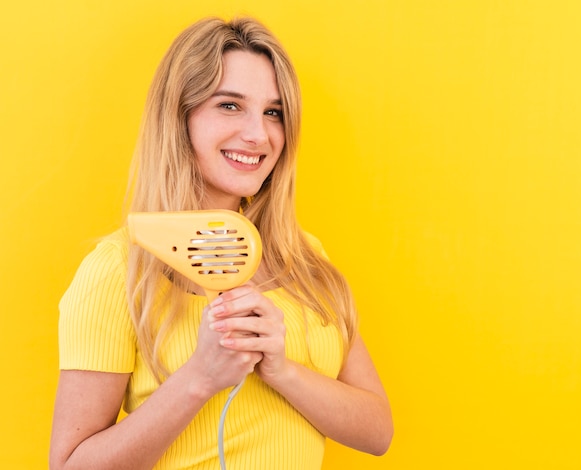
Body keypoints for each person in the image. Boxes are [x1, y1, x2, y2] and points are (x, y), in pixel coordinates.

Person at [50, 16, 393, 470]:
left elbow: (377, 432)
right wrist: (200, 377)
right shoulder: (117, 270)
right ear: (180, 115)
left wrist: (281, 370)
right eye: (230, 105)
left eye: (274, 112)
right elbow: (71, 465)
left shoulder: (304, 257)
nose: (258, 134)